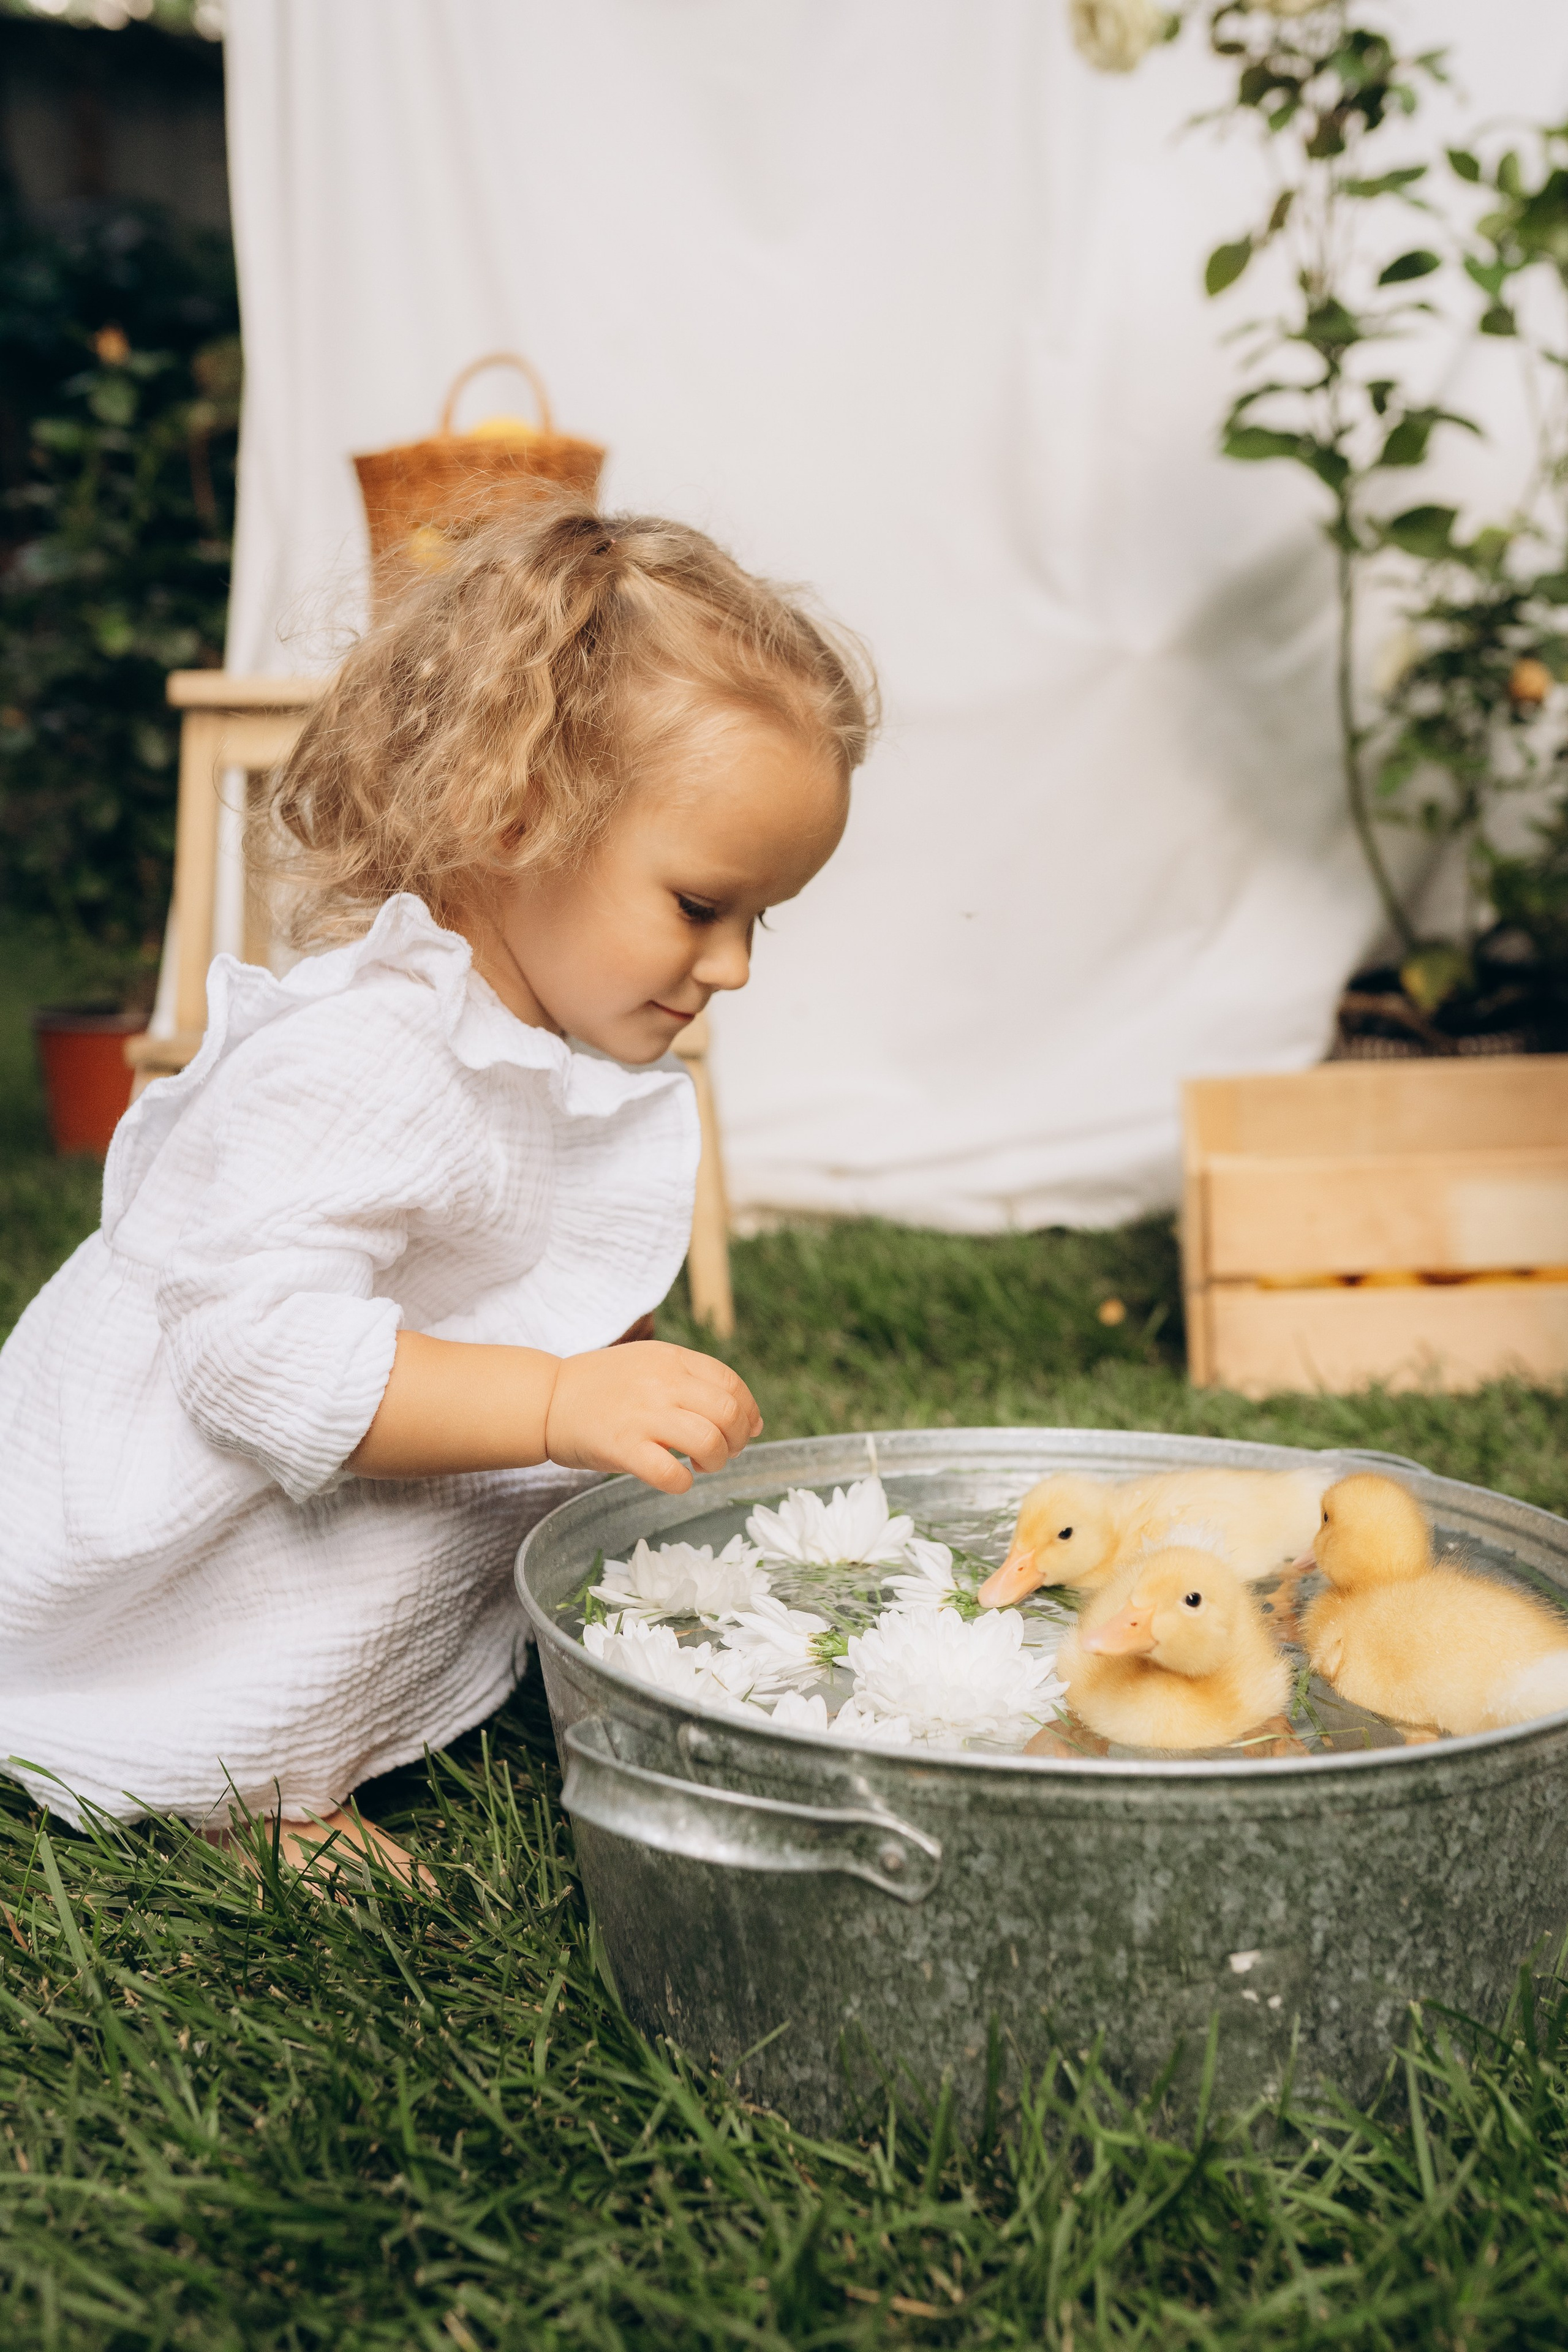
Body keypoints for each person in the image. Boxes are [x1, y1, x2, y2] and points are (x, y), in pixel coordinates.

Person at [0, 497, 876, 1861]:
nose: (735, 966)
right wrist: (549, 1396)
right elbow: (251, 1360)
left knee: (506, 1473)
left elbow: (487, 1244)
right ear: (517, 817)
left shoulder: (515, 1036)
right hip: (164, 1514)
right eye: (701, 906)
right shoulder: (367, 1053)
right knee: (467, 1473)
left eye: (759, 919)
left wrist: (592, 1358)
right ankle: (230, 1776)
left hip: (285, 1430)